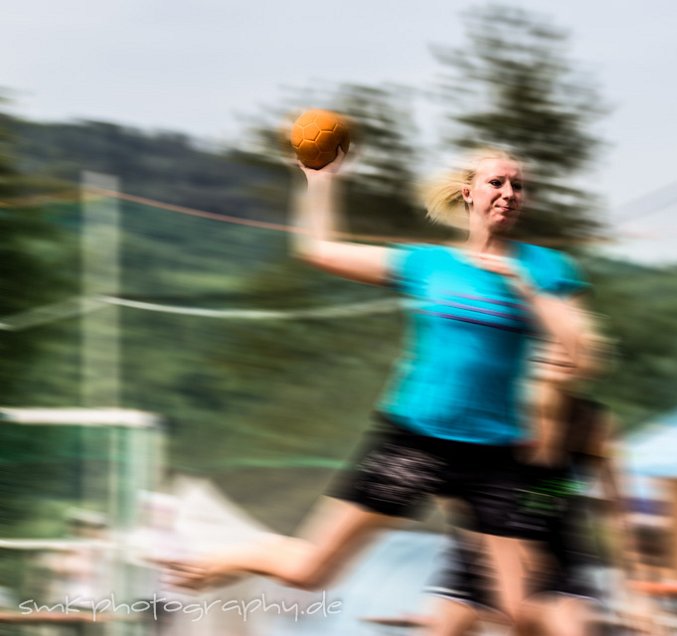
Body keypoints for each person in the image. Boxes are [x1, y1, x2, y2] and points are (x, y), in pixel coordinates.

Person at [170, 146, 592, 622]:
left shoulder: (547, 269)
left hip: (496, 456)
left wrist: (523, 286)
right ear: (467, 192)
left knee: (519, 609)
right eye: (497, 183)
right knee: (312, 571)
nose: (509, 193)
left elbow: (578, 355)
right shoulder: (426, 265)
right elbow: (317, 250)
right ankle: (248, 552)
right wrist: (320, 180)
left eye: (519, 185)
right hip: (415, 442)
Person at [422, 339, 649, 636]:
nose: (558, 353)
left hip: (557, 557)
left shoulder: (595, 425)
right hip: (481, 553)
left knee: (569, 628)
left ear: (589, 363)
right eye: (547, 345)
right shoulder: (492, 412)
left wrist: (635, 591)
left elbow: (619, 512)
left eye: (568, 347)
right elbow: (450, 490)